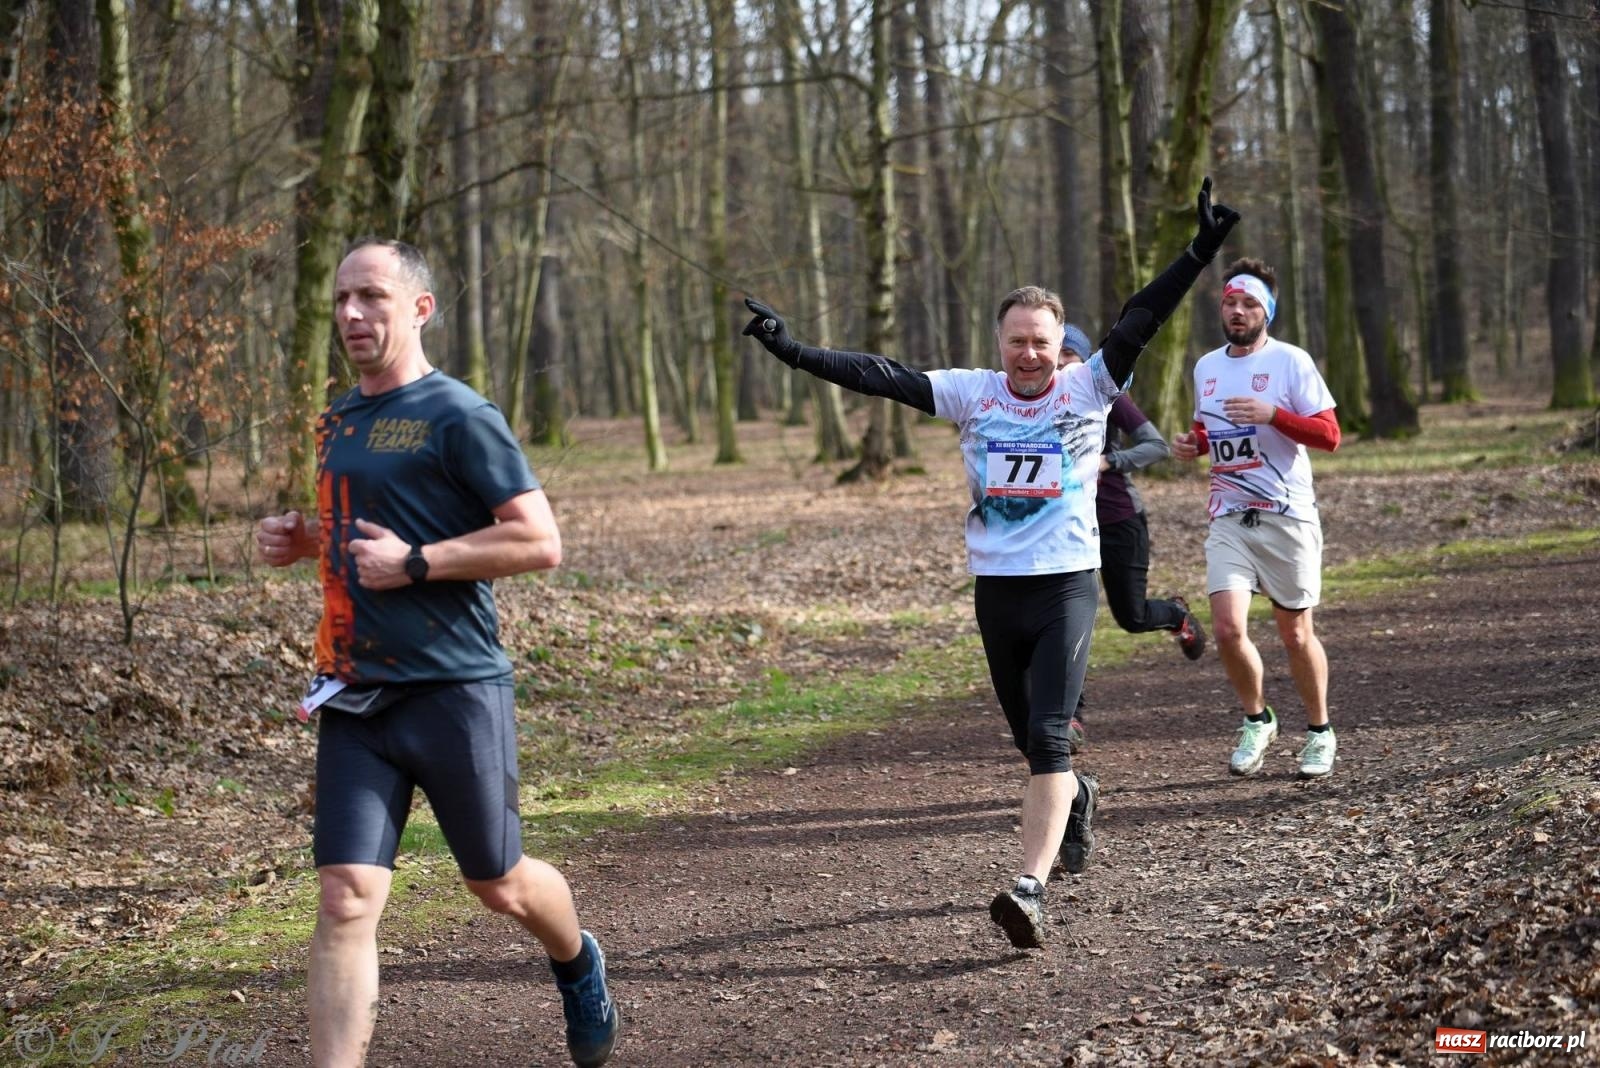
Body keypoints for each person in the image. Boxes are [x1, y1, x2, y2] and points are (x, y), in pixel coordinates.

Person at [742, 179, 1239, 949]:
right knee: (1031, 744)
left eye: (1042, 340)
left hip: (1067, 584)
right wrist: (793, 350)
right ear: (999, 342)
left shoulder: (1090, 386)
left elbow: (1143, 313)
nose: (1030, 353)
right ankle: (1076, 796)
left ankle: (1029, 890)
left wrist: (1199, 251)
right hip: (996, 593)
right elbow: (879, 374)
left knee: (1048, 738)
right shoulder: (972, 395)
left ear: (1060, 343)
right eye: (1017, 340)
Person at [256, 238, 619, 1068]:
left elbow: (539, 541)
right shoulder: (337, 420)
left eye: (372, 297)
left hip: (454, 688)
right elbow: (360, 527)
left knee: (499, 886)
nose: (352, 313)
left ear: (418, 309)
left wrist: (419, 562)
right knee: (346, 897)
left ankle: (577, 959)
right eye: (344, 298)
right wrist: (303, 538)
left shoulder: (461, 415)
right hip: (355, 692)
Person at [1170, 258, 1340, 780]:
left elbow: (1329, 435)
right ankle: (1257, 719)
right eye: (1230, 302)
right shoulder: (1206, 367)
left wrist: (1275, 416)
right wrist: (1191, 445)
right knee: (1226, 628)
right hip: (1229, 515)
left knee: (1295, 635)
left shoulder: (1291, 362)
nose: (1238, 311)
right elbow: (1210, 431)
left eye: (1249, 304)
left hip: (1286, 514)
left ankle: (1319, 731)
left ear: (1267, 311)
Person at [1056, 326, 1206, 754]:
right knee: (1068, 621)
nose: (1063, 361)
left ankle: (1175, 615)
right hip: (1066, 526)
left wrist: (1109, 461)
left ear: (1088, 363)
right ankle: (1071, 717)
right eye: (1058, 352)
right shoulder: (1033, 401)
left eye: (1072, 354)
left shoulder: (1107, 397)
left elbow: (1156, 446)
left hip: (1119, 520)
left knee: (1132, 616)